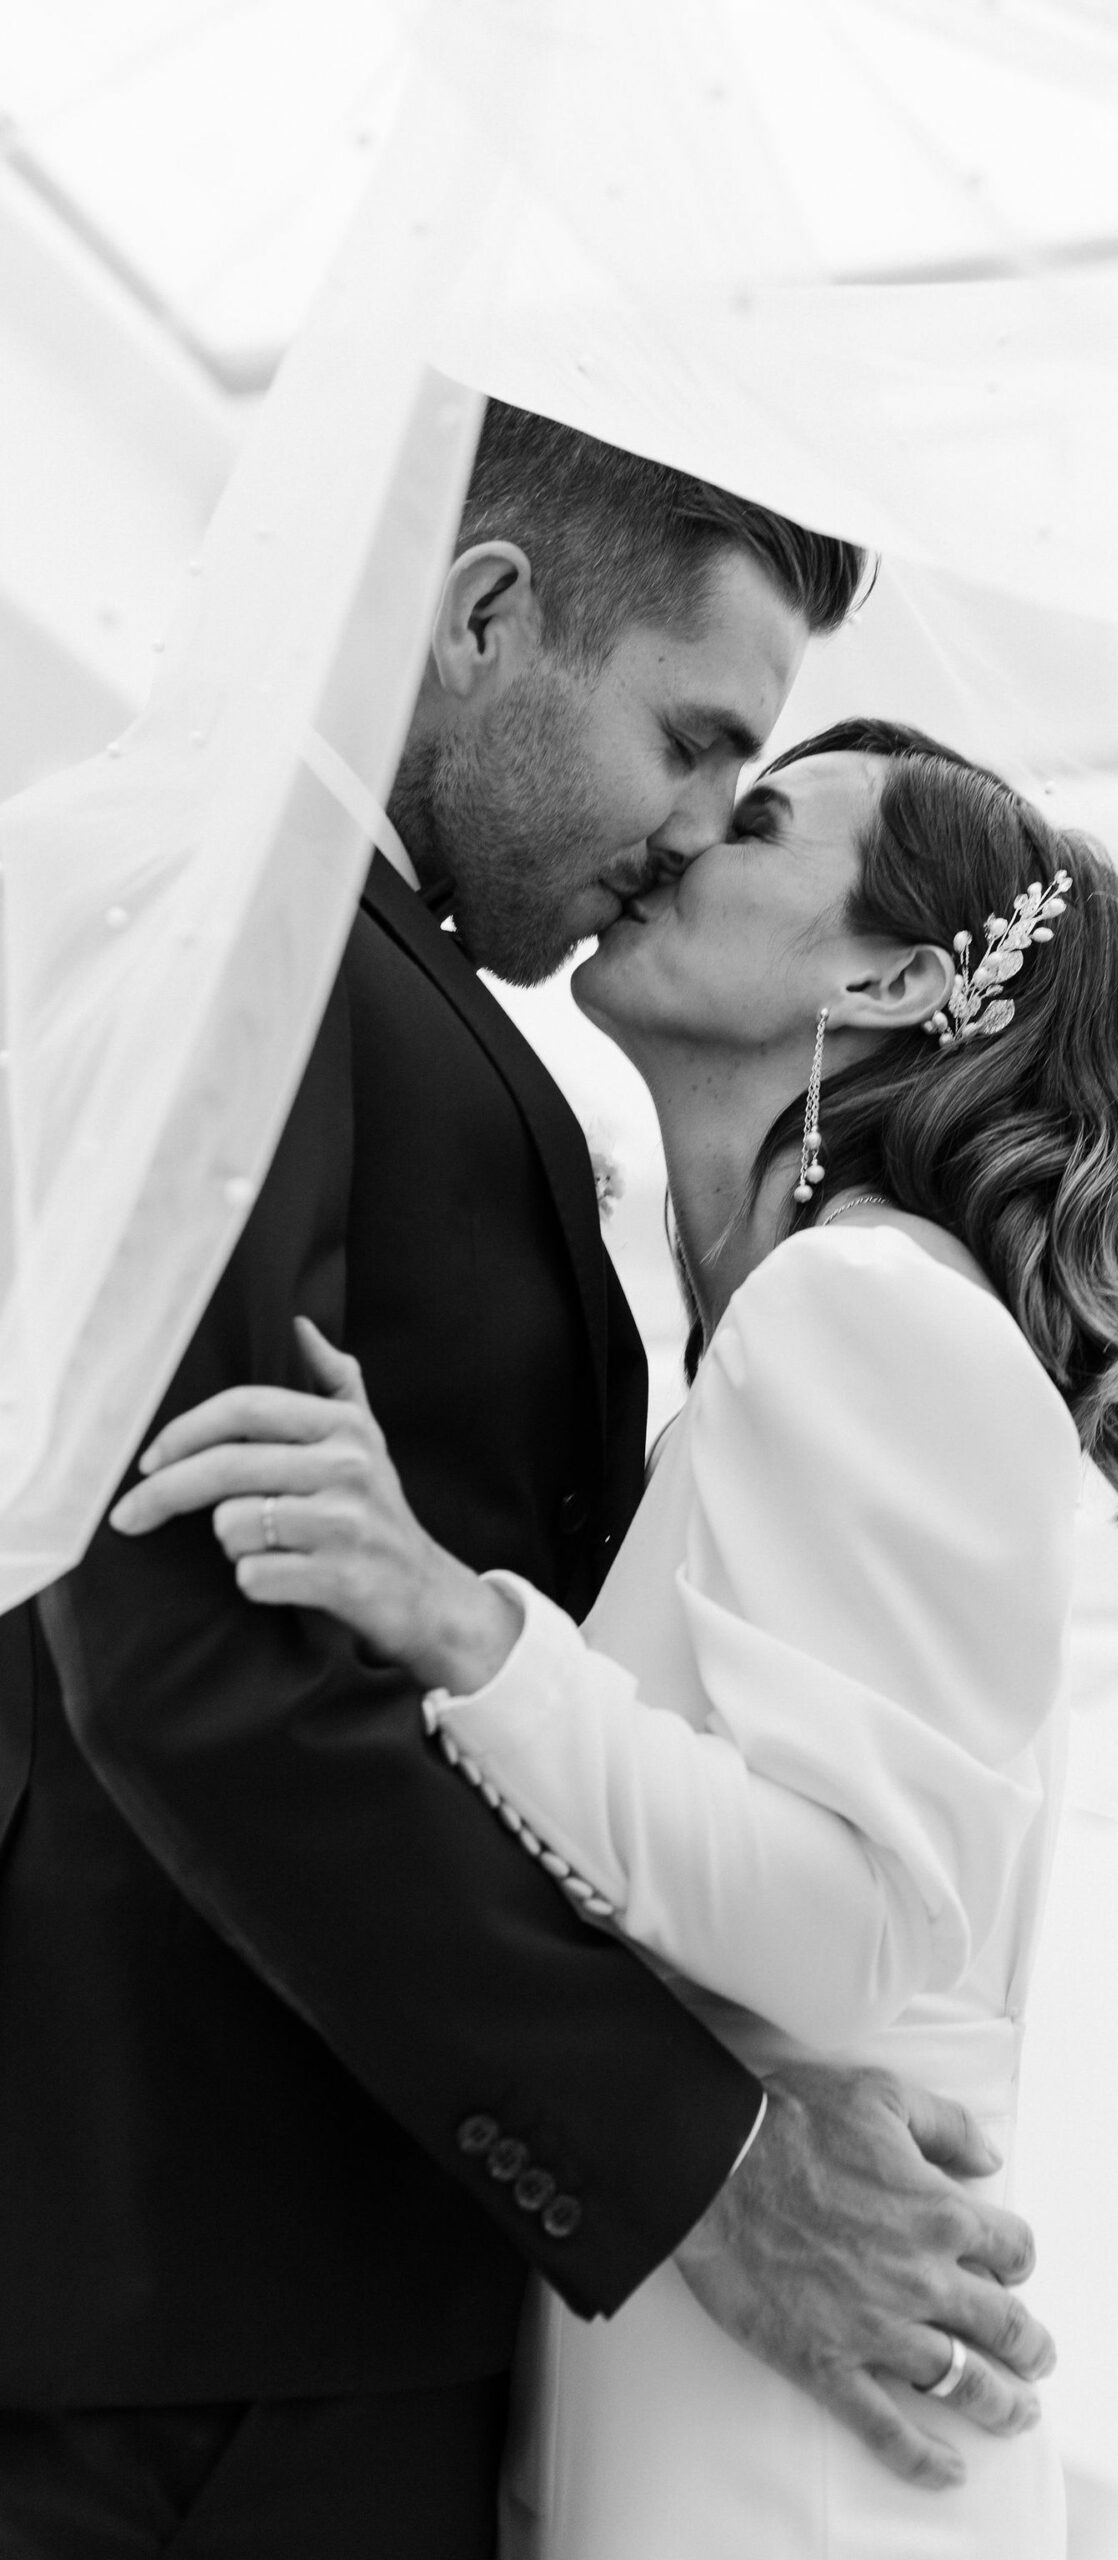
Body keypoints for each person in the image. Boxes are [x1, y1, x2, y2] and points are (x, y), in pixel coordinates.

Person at [0, 419, 1054, 2559]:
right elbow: (206, 1661)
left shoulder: (394, 997)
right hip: (208, 2316)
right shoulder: (247, 926)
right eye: (691, 743)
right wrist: (706, 2172)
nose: (686, 838)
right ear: (484, 616)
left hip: (348, 2307)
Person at [114, 718, 1118, 2556]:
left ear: (893, 979)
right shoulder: (787, 1327)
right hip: (723, 2363)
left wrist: (461, 1627)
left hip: (804, 2418)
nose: (685, 830)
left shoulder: (863, 1301)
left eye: (757, 813)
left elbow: (857, 1933)